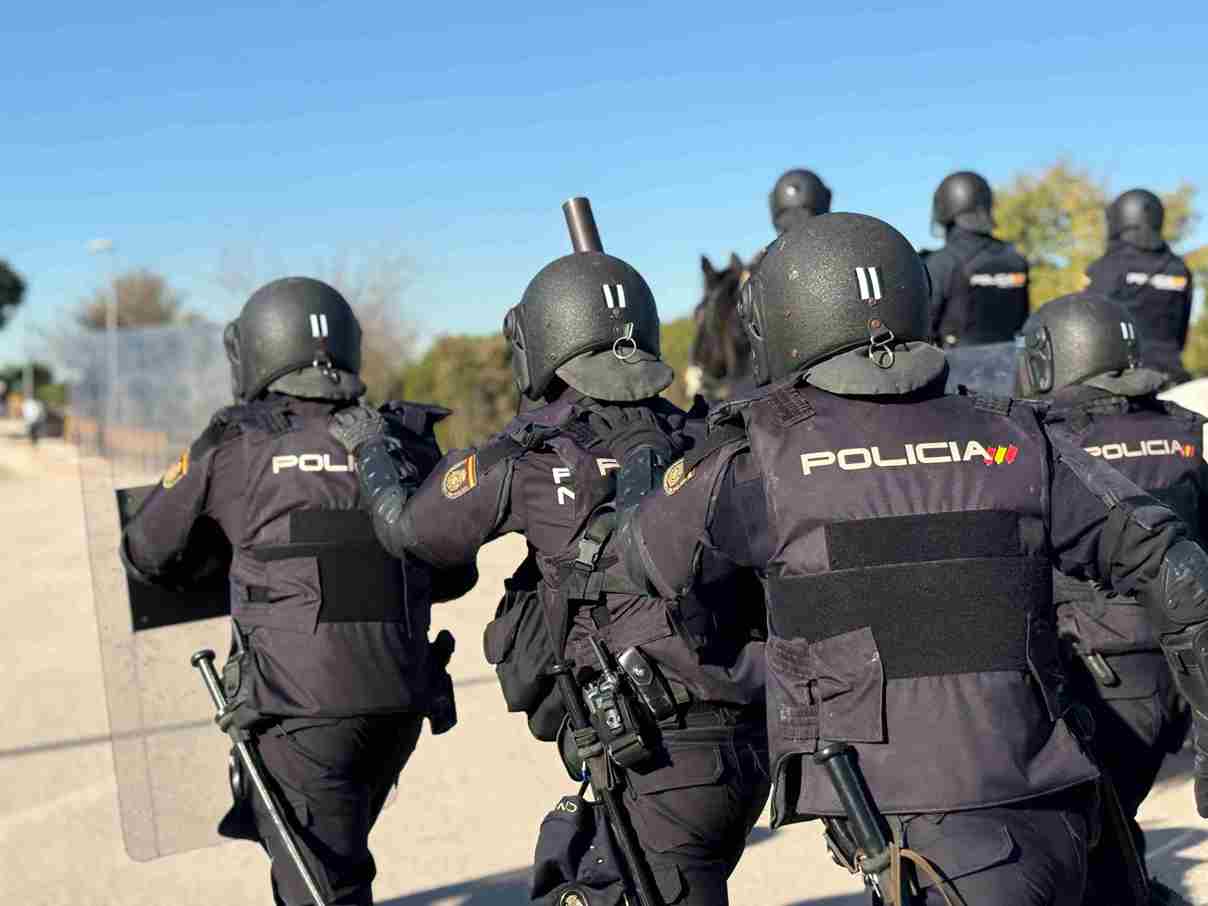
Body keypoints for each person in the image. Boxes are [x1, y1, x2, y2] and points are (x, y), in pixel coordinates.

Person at [606, 212, 1208, 906]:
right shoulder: (1015, 432)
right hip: (1070, 812)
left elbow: (644, 561)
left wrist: (639, 462)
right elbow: (1181, 573)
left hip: (929, 840)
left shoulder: (758, 457)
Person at [329, 205, 770, 906]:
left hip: (657, 757)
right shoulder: (709, 434)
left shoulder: (531, 455)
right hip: (747, 742)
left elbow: (410, 532)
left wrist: (371, 450)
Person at [121, 277, 474, 906]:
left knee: (324, 887)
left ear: (257, 349)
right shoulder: (404, 438)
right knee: (332, 859)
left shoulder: (239, 443)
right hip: (400, 701)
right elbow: (452, 573)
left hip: (300, 713)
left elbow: (145, 549)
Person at [1015, 292, 1202, 898]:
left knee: (1091, 848)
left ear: (1049, 359)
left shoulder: (1048, 435)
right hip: (1187, 669)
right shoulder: (1182, 427)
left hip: (1104, 672)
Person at [685, 168, 833, 405]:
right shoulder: (849, 252)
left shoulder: (759, 268)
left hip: (773, 399)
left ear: (774, 209)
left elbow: (739, 344)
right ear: (824, 200)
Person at [1085, 189, 1194, 383]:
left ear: (1120, 218)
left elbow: (1089, 326)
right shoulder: (1180, 269)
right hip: (1172, 375)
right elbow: (1181, 333)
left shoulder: (1105, 267)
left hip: (1122, 377)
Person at [925, 170, 1030, 348]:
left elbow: (924, 325)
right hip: (1011, 362)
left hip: (955, 363)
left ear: (944, 209)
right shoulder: (1016, 259)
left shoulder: (940, 262)